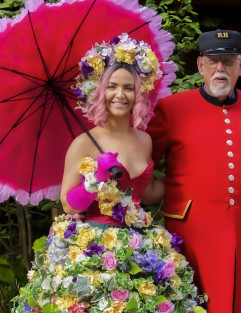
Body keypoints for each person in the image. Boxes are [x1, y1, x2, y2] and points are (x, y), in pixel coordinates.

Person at [12, 35, 206, 313]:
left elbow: (147, 194)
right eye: (112, 87)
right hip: (92, 253)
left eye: (128, 88)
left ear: (138, 94)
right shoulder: (83, 143)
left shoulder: (144, 140)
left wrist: (184, 176)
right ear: (101, 91)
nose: (120, 94)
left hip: (140, 249)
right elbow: (67, 204)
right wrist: (94, 181)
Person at [146, 29, 241, 313]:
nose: (221, 68)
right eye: (213, 61)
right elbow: (144, 162)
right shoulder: (171, 108)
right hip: (191, 229)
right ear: (200, 66)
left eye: (228, 61)